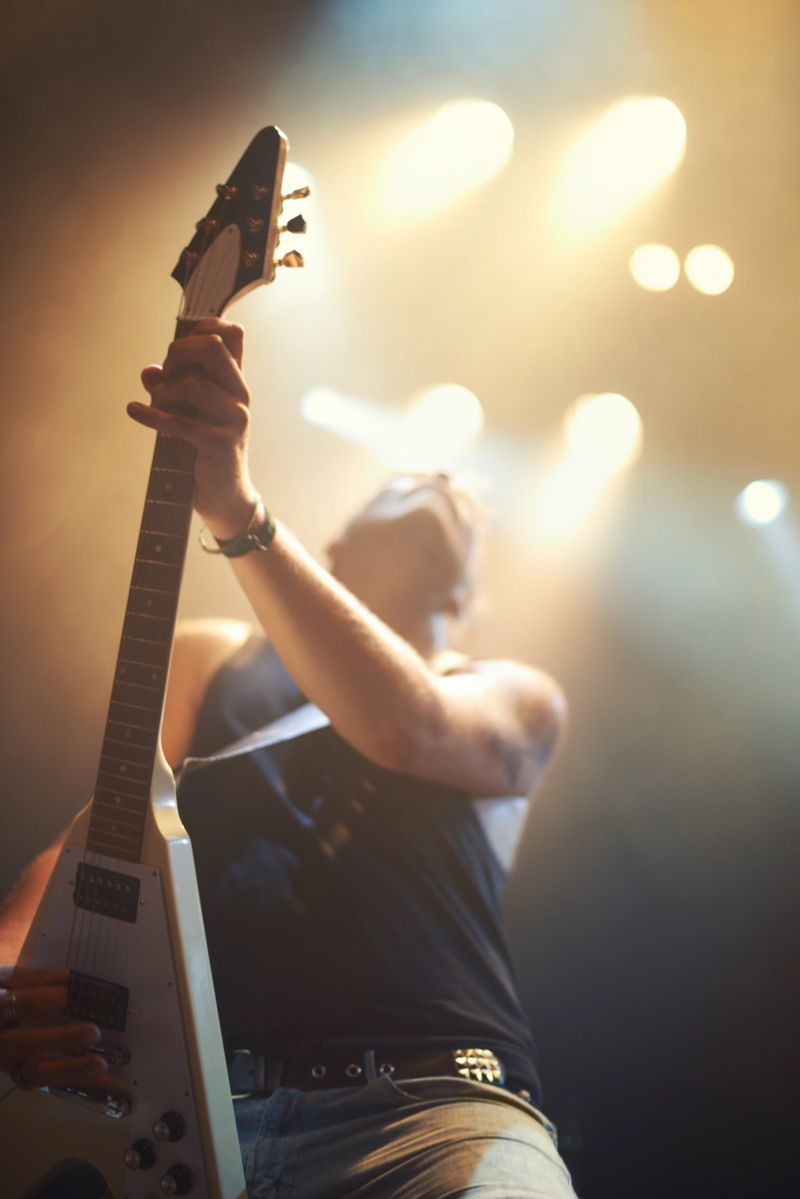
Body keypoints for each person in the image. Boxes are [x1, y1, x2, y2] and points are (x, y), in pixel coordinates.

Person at [0, 319, 576, 1198]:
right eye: (402, 486)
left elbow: (405, 728)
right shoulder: (209, 655)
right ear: (335, 549)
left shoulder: (510, 692)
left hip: (431, 1116)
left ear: (467, 593)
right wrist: (8, 980)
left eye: (458, 508)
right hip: (184, 1111)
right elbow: (101, 836)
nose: (442, 484)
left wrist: (237, 510)